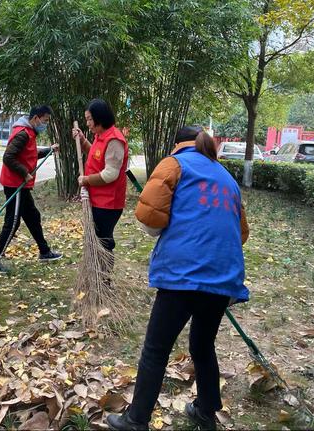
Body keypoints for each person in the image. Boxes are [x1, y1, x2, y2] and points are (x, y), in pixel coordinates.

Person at [106, 126, 250, 431]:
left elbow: (149, 217)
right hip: (223, 277)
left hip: (183, 275)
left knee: (156, 348)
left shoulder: (175, 163)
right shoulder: (227, 178)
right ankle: (206, 411)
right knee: (202, 344)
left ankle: (136, 419)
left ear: (177, 144)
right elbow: (242, 234)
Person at [0, 105, 62, 273]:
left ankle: (44, 251)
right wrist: (24, 172)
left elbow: (30, 153)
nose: (45, 124)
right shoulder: (23, 134)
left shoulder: (29, 133)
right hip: (15, 184)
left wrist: (50, 149)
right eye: (45, 121)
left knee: (33, 217)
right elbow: (8, 157)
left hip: (21, 185)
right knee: (12, 222)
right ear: (35, 118)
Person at [72, 98, 128, 255]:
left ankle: (103, 278)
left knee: (104, 242)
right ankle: (96, 276)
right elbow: (95, 156)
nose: (88, 123)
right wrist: (82, 141)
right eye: (86, 119)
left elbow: (110, 174)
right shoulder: (100, 135)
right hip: (97, 199)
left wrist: (86, 180)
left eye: (89, 119)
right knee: (97, 240)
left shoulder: (115, 140)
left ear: (100, 117)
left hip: (108, 203)